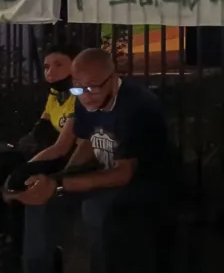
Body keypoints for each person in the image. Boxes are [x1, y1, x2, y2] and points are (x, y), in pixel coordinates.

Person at [4, 48, 174, 273]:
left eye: (92, 88)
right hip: (107, 173)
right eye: (79, 88)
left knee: (94, 209)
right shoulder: (83, 98)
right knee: (40, 198)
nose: (85, 96)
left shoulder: (137, 106)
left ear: (113, 79)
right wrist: (61, 178)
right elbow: (86, 143)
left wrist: (60, 184)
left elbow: (124, 173)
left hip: (145, 180)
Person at [0, 44, 80, 266]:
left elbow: (62, 146)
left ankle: (20, 250)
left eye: (58, 64)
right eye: (46, 66)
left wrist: (27, 165)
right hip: (49, 152)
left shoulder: (80, 95)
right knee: (5, 162)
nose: (50, 71)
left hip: (70, 159)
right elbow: (40, 128)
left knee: (17, 179)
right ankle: (9, 238)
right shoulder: (56, 93)